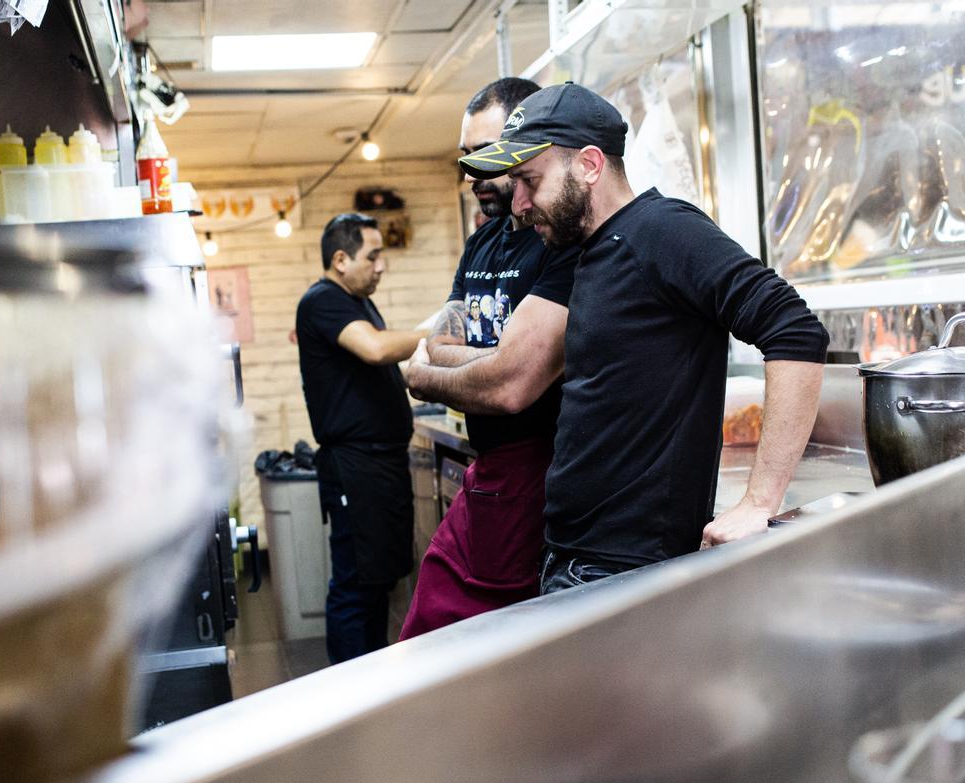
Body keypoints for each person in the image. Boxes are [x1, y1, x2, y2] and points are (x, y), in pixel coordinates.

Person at [458, 82, 830, 593]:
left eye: (529, 180)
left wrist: (759, 501)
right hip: (574, 558)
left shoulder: (662, 231)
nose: (518, 204)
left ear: (589, 165)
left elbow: (793, 327)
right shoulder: (590, 249)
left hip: (628, 570)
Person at [399, 77, 579, 639]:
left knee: (493, 647)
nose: (473, 172)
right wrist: (490, 359)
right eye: (467, 157)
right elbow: (439, 343)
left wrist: (438, 374)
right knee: (427, 632)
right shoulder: (482, 242)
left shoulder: (559, 237)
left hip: (540, 471)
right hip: (490, 469)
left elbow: (513, 383)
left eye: (489, 155)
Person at [295, 213, 425, 662]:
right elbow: (376, 349)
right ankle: (350, 693)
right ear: (340, 259)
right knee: (355, 586)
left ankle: (374, 677)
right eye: (373, 255)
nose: (382, 265)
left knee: (378, 581)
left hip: (379, 465)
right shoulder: (322, 301)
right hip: (356, 467)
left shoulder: (355, 302)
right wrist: (438, 332)